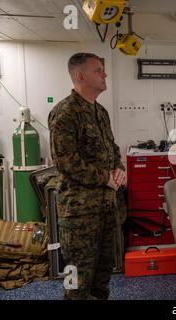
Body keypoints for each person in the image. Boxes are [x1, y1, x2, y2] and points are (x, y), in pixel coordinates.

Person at [48, 53, 126, 300]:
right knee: (77, 281)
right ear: (81, 76)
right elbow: (66, 162)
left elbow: (111, 148)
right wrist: (104, 177)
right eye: (98, 70)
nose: (104, 74)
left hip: (106, 208)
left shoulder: (100, 112)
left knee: (103, 277)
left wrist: (119, 170)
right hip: (79, 213)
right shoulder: (65, 113)